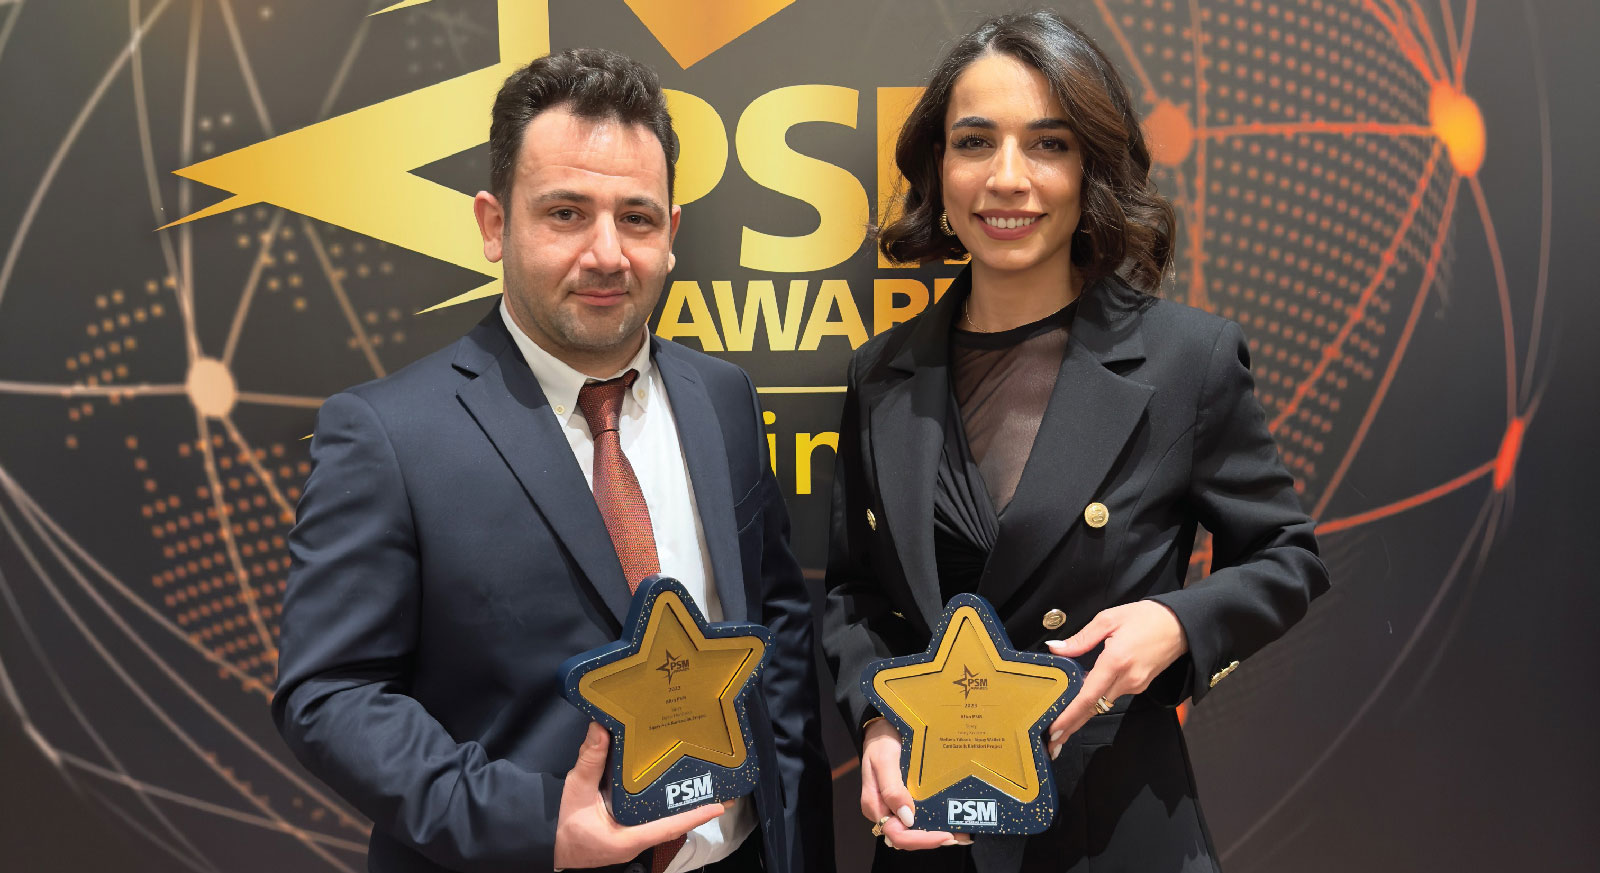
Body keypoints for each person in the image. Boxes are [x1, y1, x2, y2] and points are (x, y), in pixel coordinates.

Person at [272, 48, 831, 873]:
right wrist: (540, 824)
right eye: (566, 213)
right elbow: (331, 694)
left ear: (672, 234)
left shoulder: (724, 398)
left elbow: (773, 631)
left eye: (636, 218)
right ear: (494, 224)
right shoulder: (386, 435)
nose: (607, 253)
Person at [822, 11, 1329, 873]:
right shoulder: (880, 372)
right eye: (974, 142)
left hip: (1113, 825)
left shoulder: (1187, 358)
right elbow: (854, 594)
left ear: (1089, 166)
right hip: (932, 832)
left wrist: (1175, 621)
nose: (1006, 178)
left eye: (1047, 145)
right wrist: (877, 715)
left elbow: (1288, 557)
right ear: (938, 167)